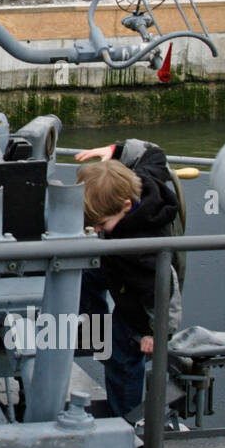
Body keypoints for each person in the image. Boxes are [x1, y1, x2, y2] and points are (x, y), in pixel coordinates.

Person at [75, 139, 181, 419]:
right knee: (84, 271)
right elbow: (153, 152)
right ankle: (90, 332)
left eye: (101, 225)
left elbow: (164, 291)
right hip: (117, 269)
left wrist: (155, 333)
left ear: (124, 205)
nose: (97, 230)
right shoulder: (141, 179)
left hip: (138, 309)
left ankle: (128, 421)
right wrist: (113, 151)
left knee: (122, 359)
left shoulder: (144, 248)